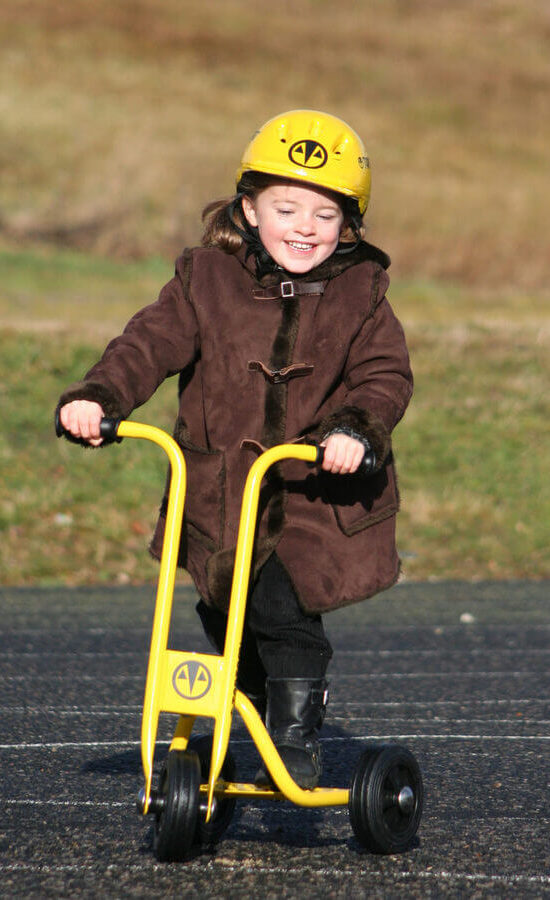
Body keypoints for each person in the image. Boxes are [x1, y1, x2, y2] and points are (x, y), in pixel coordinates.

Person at [56, 109, 413, 790]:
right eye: (286, 208)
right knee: (223, 610)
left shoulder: (361, 293)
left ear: (349, 225)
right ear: (249, 209)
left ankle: (296, 730)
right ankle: (246, 708)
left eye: (325, 214)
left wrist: (354, 431)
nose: (304, 227)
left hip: (309, 491)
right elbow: (147, 344)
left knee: (281, 604)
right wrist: (101, 396)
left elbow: (384, 375)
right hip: (217, 492)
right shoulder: (204, 280)